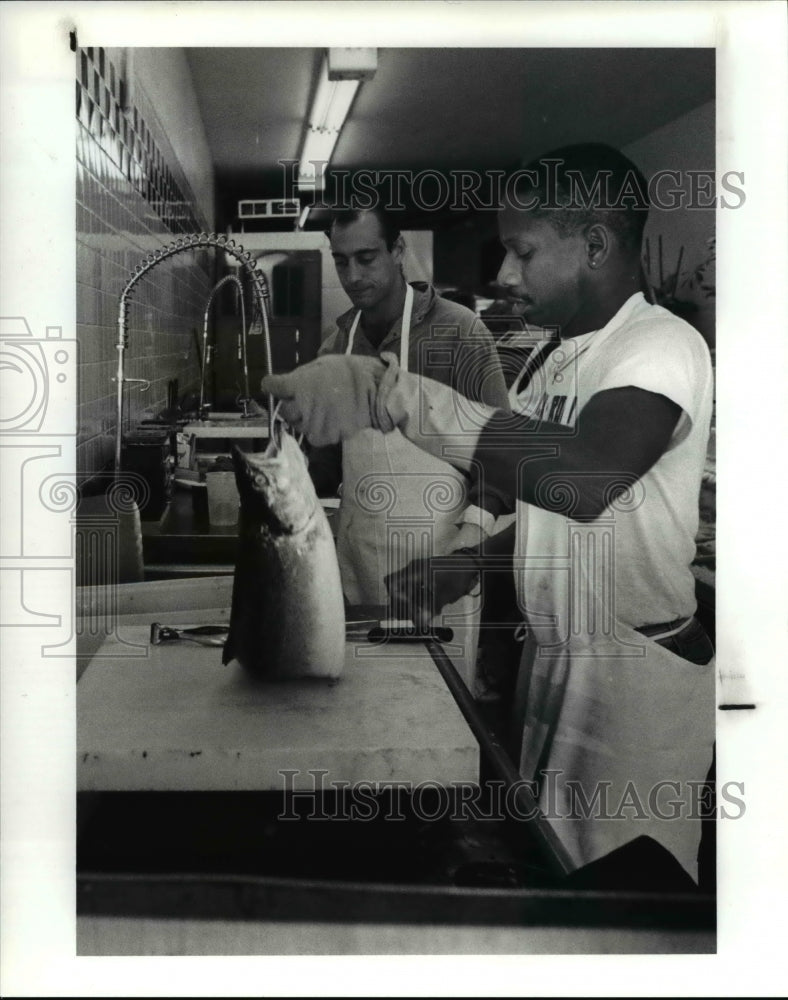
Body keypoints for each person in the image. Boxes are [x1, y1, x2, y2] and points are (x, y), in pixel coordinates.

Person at [262, 144, 715, 885]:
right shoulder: (553, 358)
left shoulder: (661, 345)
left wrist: (400, 397)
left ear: (595, 245)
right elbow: (552, 521)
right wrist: (466, 563)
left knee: (629, 902)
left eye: (522, 252)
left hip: (634, 679)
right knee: (557, 885)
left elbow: (585, 480)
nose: (503, 275)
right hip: (555, 659)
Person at [307, 204, 510, 687]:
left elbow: (501, 458)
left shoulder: (460, 332)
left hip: (438, 565)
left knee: (440, 720)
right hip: (358, 567)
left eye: (366, 257)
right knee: (366, 709)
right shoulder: (337, 344)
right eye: (341, 261)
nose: (352, 275)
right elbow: (325, 462)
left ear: (398, 250)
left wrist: (465, 549)